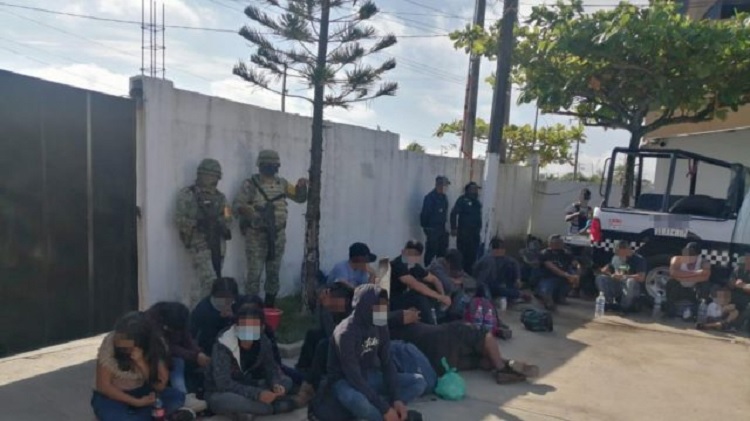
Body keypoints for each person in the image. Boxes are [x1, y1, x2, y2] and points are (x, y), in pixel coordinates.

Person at [328, 285, 426, 421]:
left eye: (384, 307)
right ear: (365, 306)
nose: (382, 311)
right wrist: (384, 408)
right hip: (346, 381)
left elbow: (387, 361)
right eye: (378, 307)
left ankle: (383, 411)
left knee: (419, 382)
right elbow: (353, 376)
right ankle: (387, 415)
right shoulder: (346, 332)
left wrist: (397, 398)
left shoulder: (380, 322)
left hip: (371, 375)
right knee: (360, 403)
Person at [233, 149, 308, 308]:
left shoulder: (282, 184)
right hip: (256, 236)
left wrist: (301, 187)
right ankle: (250, 310)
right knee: (254, 274)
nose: (271, 167)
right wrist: (251, 212)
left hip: (277, 235)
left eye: (273, 164)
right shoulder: (250, 184)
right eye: (267, 164)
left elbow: (300, 198)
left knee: (273, 273)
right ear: (260, 165)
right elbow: (237, 205)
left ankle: (269, 308)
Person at [388, 309, 539, 385]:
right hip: (441, 337)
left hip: (436, 365)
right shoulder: (382, 318)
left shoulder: (379, 336)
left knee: (479, 361)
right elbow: (409, 316)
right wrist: (411, 313)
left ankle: (505, 364)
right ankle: (501, 367)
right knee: (483, 335)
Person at [91, 312, 196, 421]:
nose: (121, 343)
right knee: (120, 415)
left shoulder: (156, 344)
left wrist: (141, 363)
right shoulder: (110, 344)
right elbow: (103, 386)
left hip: (143, 390)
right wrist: (136, 402)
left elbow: (159, 386)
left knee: (176, 397)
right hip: (114, 395)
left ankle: (141, 415)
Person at [204, 305, 296, 419]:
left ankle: (253, 409)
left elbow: (271, 368)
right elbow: (223, 383)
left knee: (286, 381)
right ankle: (271, 407)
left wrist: (275, 384)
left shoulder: (263, 341)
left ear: (262, 328)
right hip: (222, 391)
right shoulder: (223, 345)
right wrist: (257, 394)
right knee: (224, 401)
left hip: (249, 384)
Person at [175, 159, 232, 307]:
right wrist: (197, 223)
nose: (212, 179)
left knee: (215, 279)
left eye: (214, 176)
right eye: (209, 175)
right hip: (198, 243)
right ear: (201, 175)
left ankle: (207, 311)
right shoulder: (188, 194)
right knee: (209, 281)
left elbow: (228, 216)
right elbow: (179, 219)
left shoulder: (221, 197)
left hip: (218, 244)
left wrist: (220, 223)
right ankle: (200, 313)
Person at [145, 302, 210, 412]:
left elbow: (187, 339)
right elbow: (167, 347)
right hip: (155, 356)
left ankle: (183, 396)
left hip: (174, 356)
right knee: (177, 362)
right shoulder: (151, 323)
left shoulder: (179, 319)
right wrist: (194, 355)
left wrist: (198, 353)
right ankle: (182, 397)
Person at [389, 240, 452, 325]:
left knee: (430, 290)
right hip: (389, 302)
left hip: (401, 298)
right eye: (409, 252)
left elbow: (434, 279)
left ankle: (438, 319)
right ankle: (431, 325)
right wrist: (440, 297)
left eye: (415, 254)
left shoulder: (414, 267)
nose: (410, 256)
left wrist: (442, 295)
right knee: (419, 295)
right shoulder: (398, 264)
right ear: (403, 251)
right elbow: (415, 285)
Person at [190, 277, 240, 356]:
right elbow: (194, 335)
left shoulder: (238, 304)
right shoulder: (203, 309)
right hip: (209, 349)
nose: (225, 300)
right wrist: (219, 318)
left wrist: (233, 318)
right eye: (221, 297)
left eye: (228, 298)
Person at [595, 240, 647, 312]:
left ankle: (624, 307)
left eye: (618, 251)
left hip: (632, 288)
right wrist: (610, 274)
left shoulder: (639, 259)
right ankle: (609, 302)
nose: (617, 254)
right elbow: (605, 269)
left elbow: (641, 278)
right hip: (619, 285)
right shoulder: (617, 258)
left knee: (630, 281)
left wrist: (624, 276)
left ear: (625, 249)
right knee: (600, 278)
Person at [473, 237, 526, 307]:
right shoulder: (488, 260)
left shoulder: (503, 258)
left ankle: (515, 295)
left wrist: (518, 279)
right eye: (502, 248)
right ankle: (518, 295)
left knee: (509, 269)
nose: (504, 251)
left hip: (496, 284)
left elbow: (514, 263)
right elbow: (480, 278)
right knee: (494, 293)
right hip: (486, 286)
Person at [666, 242, 712, 315]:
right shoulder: (676, 259)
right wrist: (697, 273)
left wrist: (681, 275)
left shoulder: (704, 261)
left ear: (697, 254)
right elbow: (673, 273)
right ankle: (670, 309)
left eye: (692, 253)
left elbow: (706, 276)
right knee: (671, 282)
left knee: (705, 285)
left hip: (694, 288)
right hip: (679, 287)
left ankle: (696, 311)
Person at [537, 235, 579, 311]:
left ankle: (561, 297)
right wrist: (567, 275)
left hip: (563, 279)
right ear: (550, 243)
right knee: (545, 291)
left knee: (572, 280)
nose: (559, 244)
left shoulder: (566, 253)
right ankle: (547, 300)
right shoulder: (544, 253)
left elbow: (575, 263)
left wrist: (577, 273)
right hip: (548, 278)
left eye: (560, 242)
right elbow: (552, 268)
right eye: (556, 243)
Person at [451, 182, 482, 274]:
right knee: (462, 255)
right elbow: (453, 213)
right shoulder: (462, 200)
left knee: (472, 256)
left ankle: (469, 274)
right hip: (464, 234)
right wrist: (453, 228)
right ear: (468, 190)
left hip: (474, 234)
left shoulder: (477, 202)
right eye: (474, 189)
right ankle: (460, 273)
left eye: (477, 189)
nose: (476, 191)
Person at [420, 176, 451, 266]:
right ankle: (427, 268)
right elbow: (425, 214)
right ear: (439, 185)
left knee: (442, 252)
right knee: (431, 251)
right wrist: (427, 228)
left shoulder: (444, 198)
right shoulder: (430, 197)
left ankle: (439, 270)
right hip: (432, 228)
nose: (446, 188)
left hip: (442, 229)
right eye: (445, 185)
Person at [730, 253, 750, 332]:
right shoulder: (739, 268)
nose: (747, 261)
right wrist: (735, 283)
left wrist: (743, 285)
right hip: (736, 294)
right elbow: (731, 282)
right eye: (747, 259)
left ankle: (736, 326)